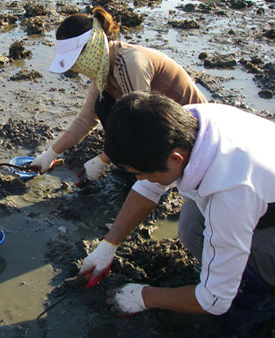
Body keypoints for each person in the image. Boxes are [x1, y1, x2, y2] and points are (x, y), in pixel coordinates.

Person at [81, 91, 275, 335]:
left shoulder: (230, 193)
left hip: (258, 203)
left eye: (141, 172)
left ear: (175, 158)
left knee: (222, 292)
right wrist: (109, 244)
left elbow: (213, 300)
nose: (140, 179)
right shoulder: (187, 122)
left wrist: (144, 296)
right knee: (193, 226)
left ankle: (256, 304)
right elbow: (148, 187)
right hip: (262, 193)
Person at [32, 8, 206, 185]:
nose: (76, 67)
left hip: (194, 135)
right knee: (103, 105)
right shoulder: (103, 72)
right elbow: (86, 120)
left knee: (126, 114)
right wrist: (50, 153)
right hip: (160, 127)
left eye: (77, 59)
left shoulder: (130, 63)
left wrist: (103, 159)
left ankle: (150, 168)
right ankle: (132, 162)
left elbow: (142, 123)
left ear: (93, 46)